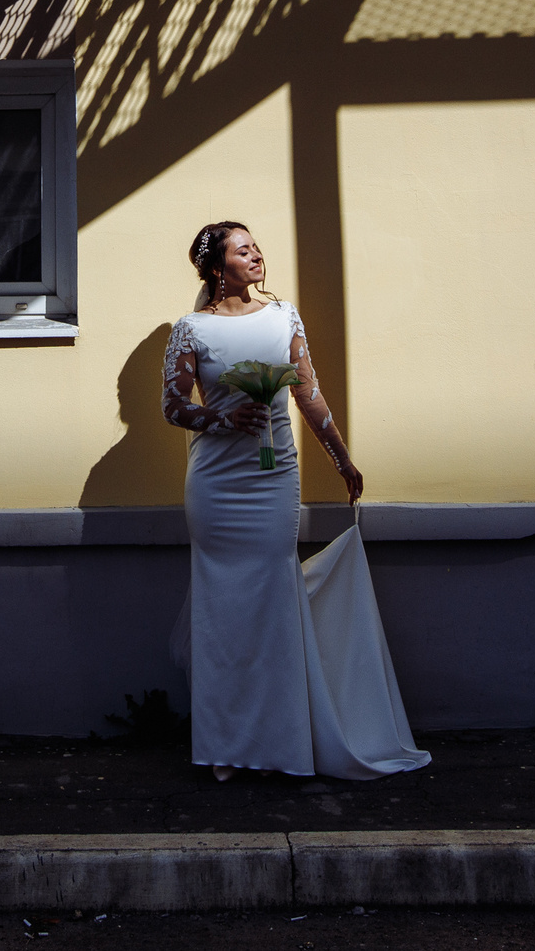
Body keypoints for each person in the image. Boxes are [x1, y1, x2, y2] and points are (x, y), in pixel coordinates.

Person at [162, 220, 430, 781]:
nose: (257, 255)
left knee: (272, 596)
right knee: (224, 606)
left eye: (257, 246)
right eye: (243, 250)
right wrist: (221, 417)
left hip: (271, 478)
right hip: (216, 484)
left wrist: (341, 458)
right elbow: (172, 406)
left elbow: (308, 393)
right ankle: (226, 743)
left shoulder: (284, 316)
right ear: (216, 268)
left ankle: (282, 735)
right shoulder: (189, 330)